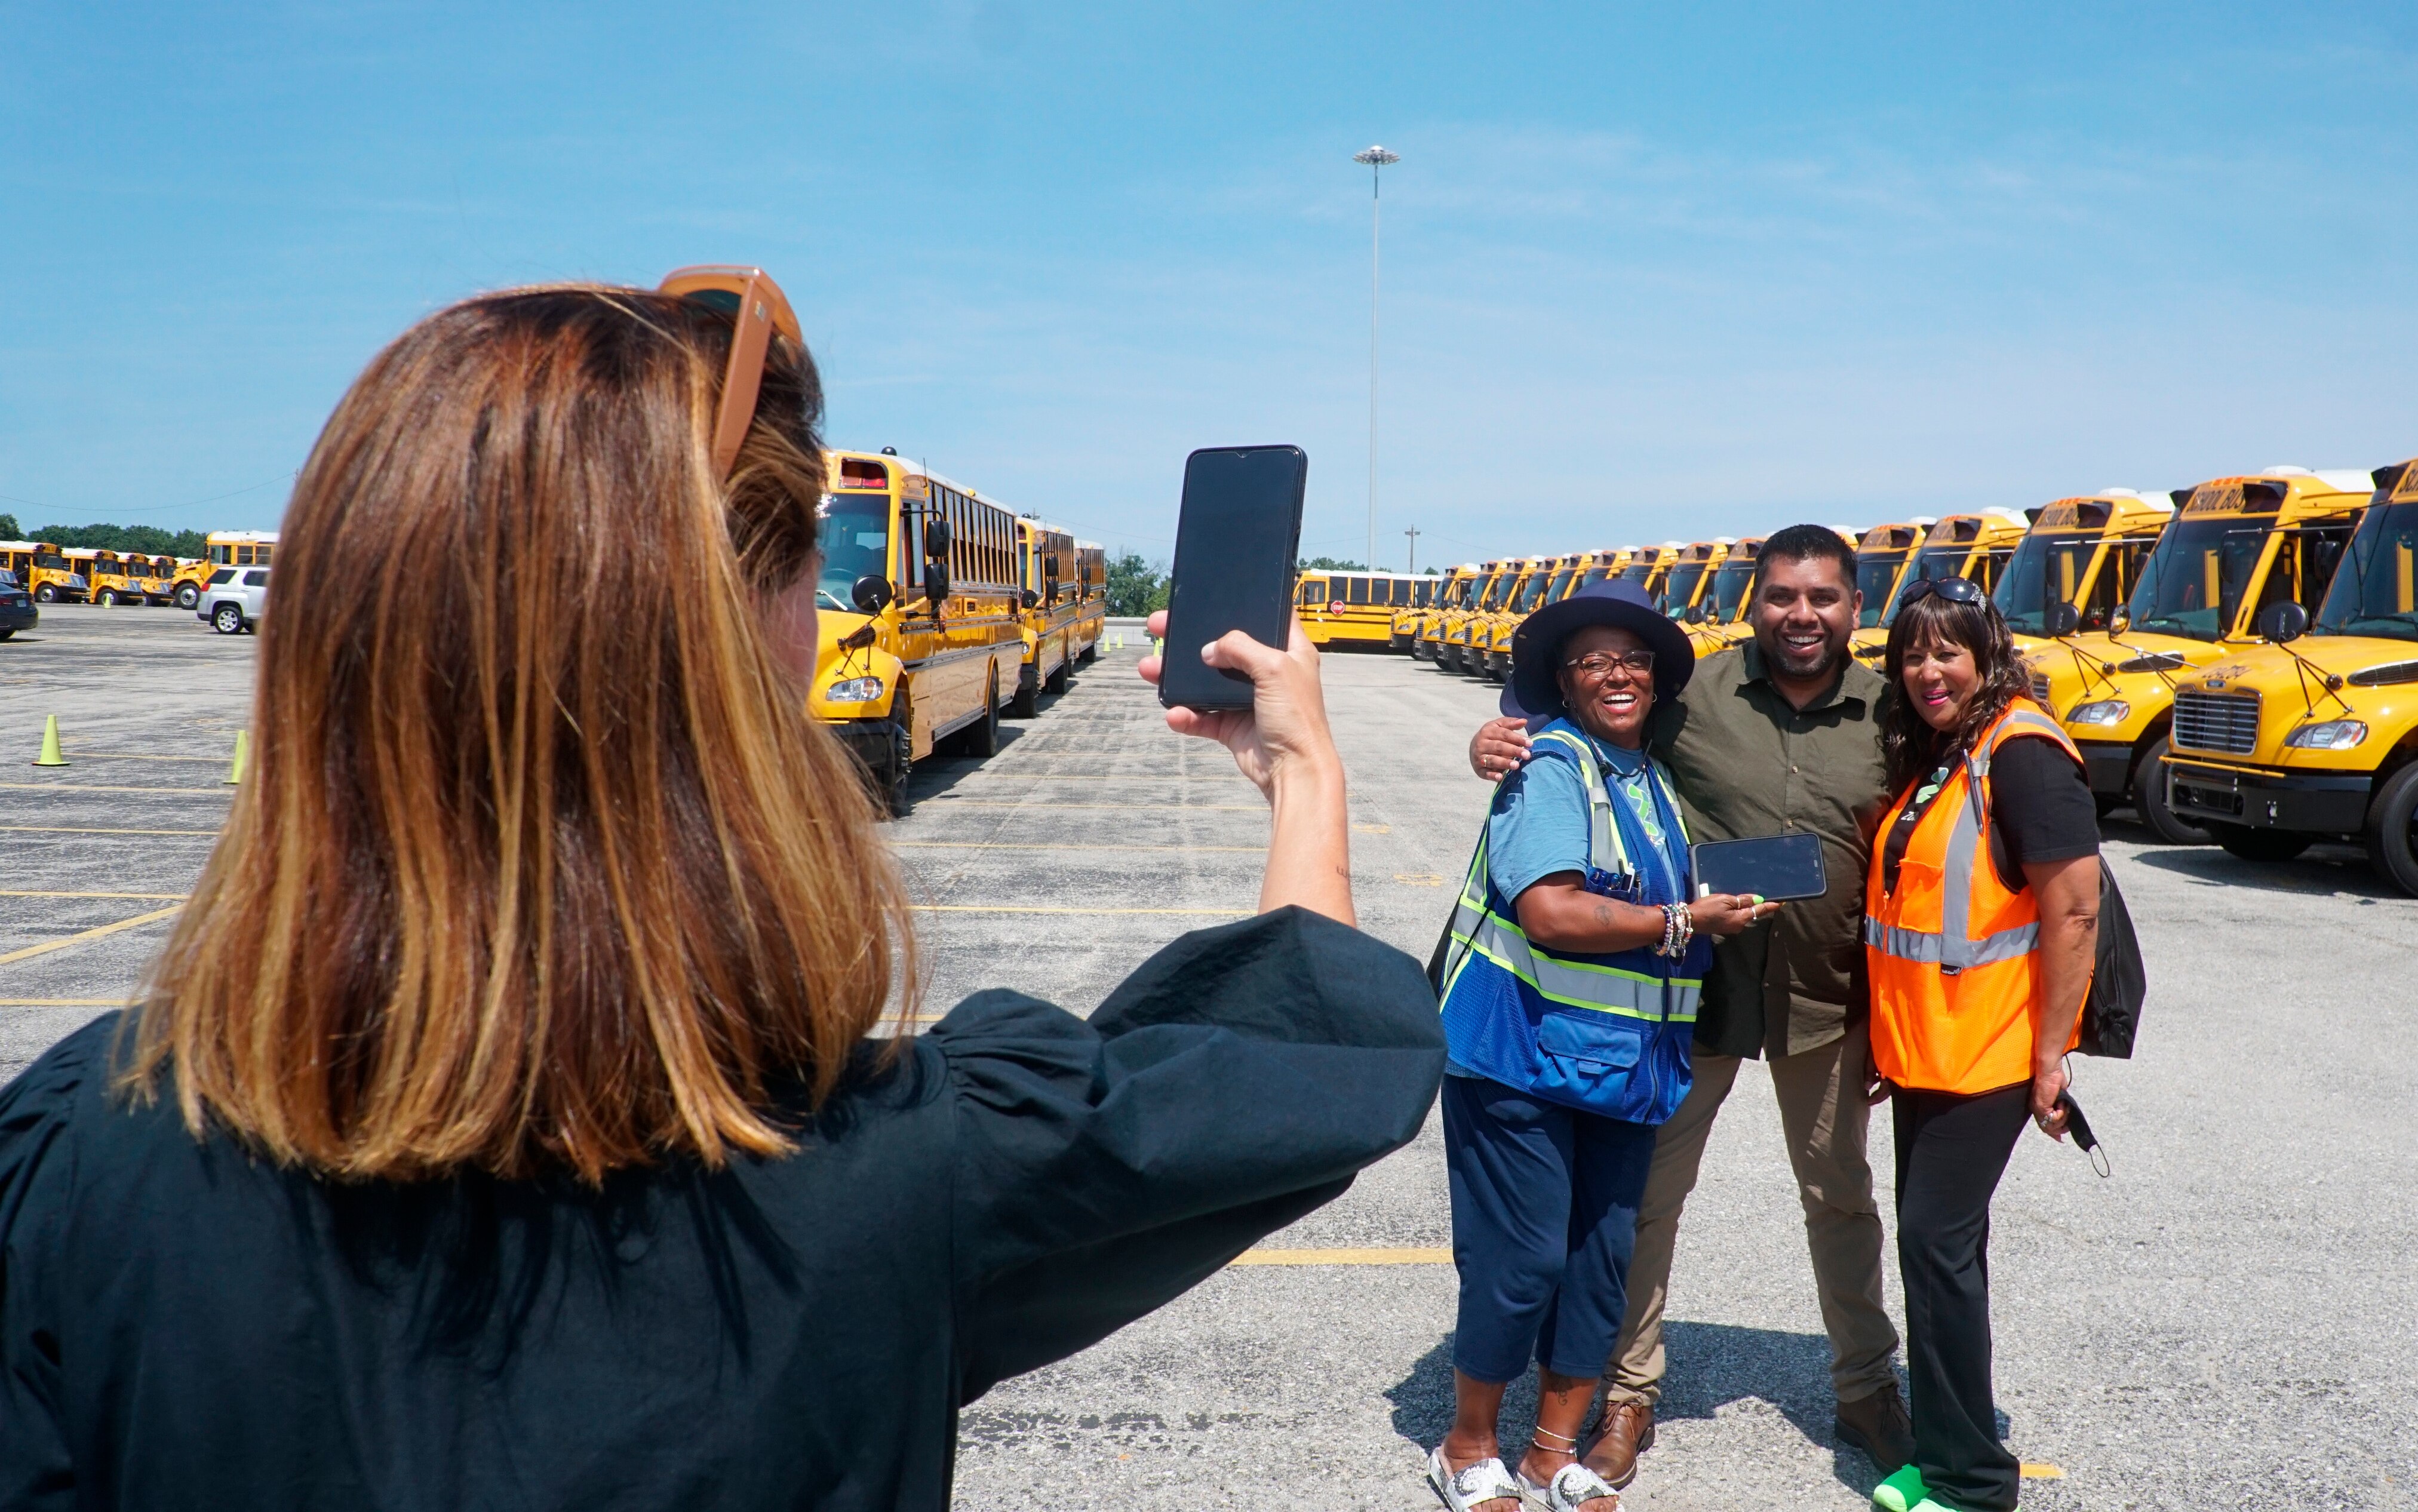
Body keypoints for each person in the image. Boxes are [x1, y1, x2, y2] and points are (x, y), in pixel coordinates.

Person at [0, 272, 1445, 1511]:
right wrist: (1300, 776)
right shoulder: (894, 1168)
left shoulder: (83, 1155)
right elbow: (1305, 1058)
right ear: (728, 651)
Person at [1468, 525, 1912, 1485]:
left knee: (1840, 1197)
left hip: (1828, 999)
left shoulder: (1892, 711)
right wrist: (1492, 737)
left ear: (1854, 608)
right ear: (1755, 602)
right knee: (1645, 1204)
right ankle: (1626, 1393)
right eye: (1784, 597)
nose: (1803, 616)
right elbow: (1581, 719)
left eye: (1824, 598)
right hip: (1690, 998)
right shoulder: (1691, 695)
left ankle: (1868, 1389)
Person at [1428, 580, 1773, 1512]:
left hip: (1622, 1067)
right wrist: (1680, 921)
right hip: (1524, 1059)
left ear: (1657, 679)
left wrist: (1718, 909)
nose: (1616, 675)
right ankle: (1465, 1446)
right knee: (1522, 1259)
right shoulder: (1552, 767)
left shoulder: (1650, 780)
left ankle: (1551, 1453)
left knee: (1598, 1261)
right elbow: (1550, 912)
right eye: (1593, 662)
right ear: (1564, 682)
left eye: (1632, 660)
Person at [1860, 574, 2102, 1512]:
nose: (1929, 670)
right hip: (1926, 1053)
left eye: (1947, 651)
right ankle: (1945, 1446)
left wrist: (2051, 1056)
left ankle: (1971, 1481)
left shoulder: (2024, 754)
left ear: (1987, 654)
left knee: (1934, 1243)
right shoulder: (1944, 751)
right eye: (1913, 653)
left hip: (1991, 1056)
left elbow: (2074, 909)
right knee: (1939, 1251)